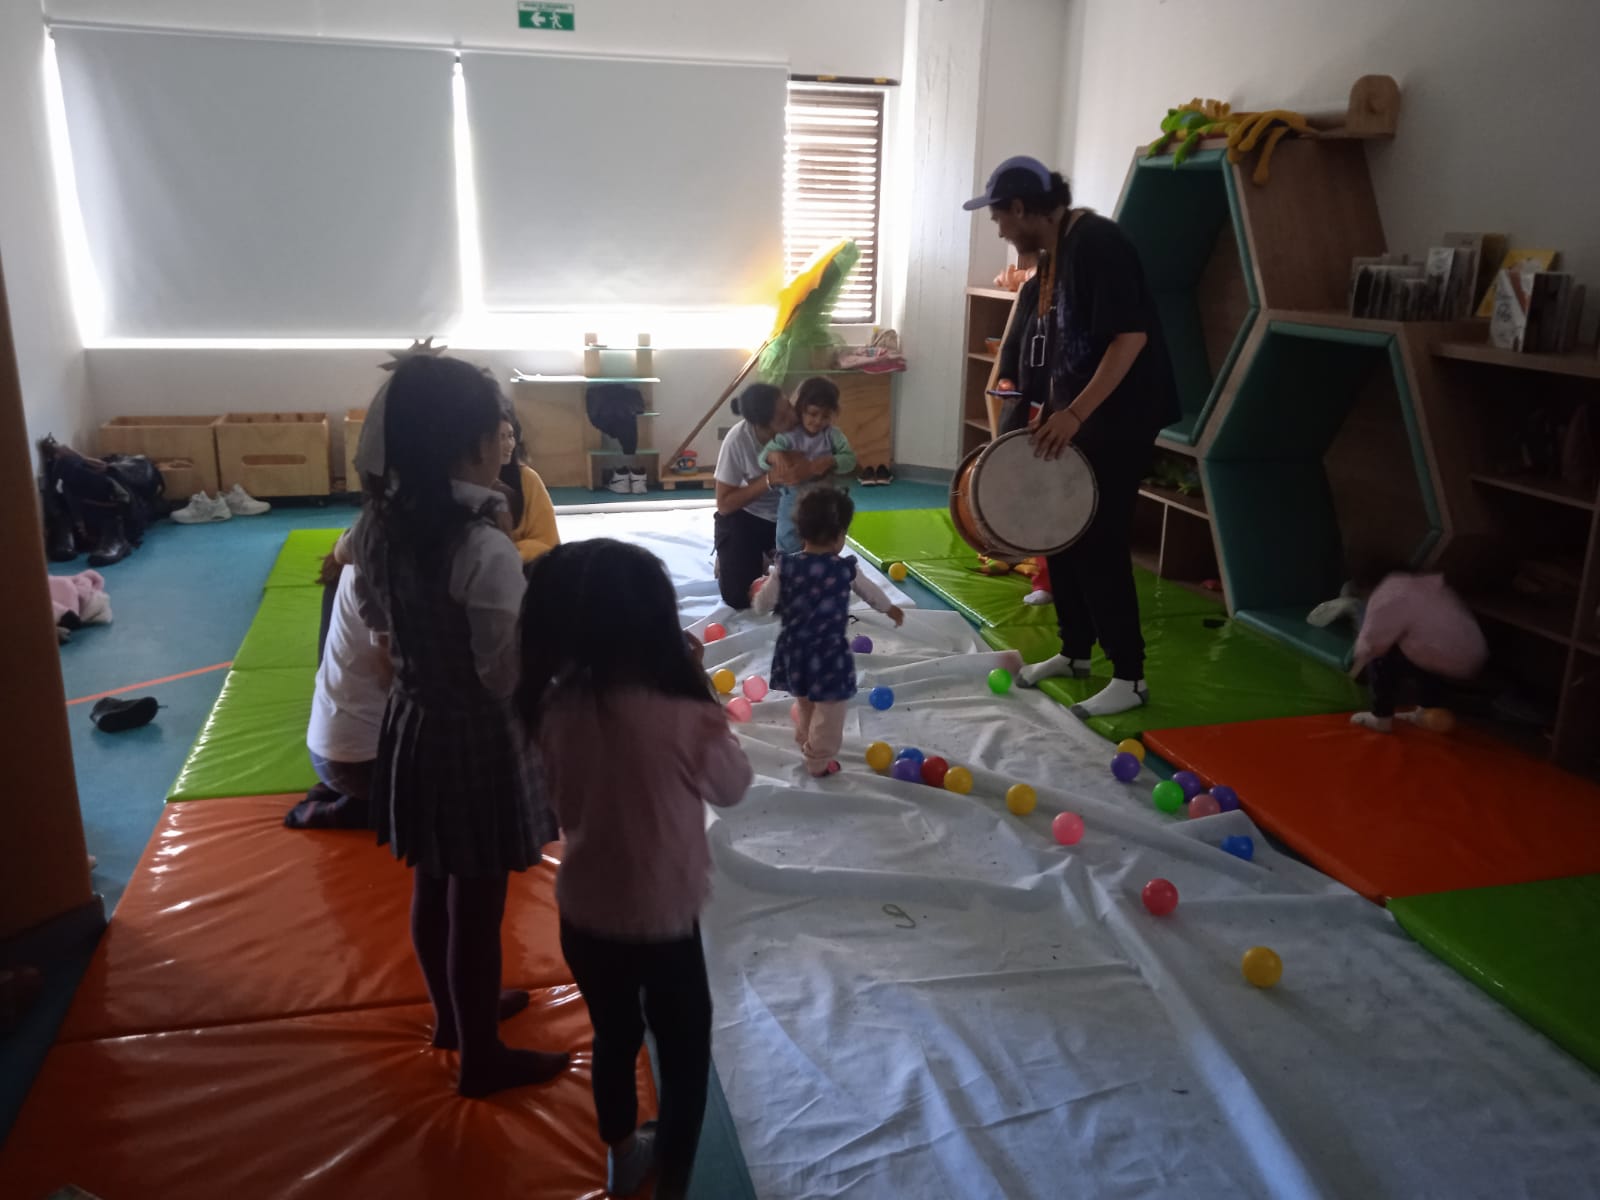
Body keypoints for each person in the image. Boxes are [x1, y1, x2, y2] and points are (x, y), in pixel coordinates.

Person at [350, 353, 566, 1098]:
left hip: (414, 721)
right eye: (499, 427)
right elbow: (502, 675)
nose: (506, 439)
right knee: (478, 907)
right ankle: (481, 1058)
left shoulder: (377, 526)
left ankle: (454, 1016)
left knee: (432, 883)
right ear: (472, 443)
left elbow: (379, 623)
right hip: (476, 737)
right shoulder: (483, 549)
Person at [519, 539, 752, 1200]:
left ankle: (622, 1157)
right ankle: (672, 1185)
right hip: (665, 923)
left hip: (584, 914)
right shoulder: (684, 716)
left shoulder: (552, 704)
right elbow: (732, 787)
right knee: (681, 1064)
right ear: (656, 627)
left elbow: (548, 796)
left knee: (614, 1039)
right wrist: (702, 699)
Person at [965, 155, 1180, 718]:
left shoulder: (1097, 244)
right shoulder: (1056, 256)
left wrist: (1076, 414)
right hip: (1081, 412)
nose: (1001, 231)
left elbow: (1128, 340)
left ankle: (1129, 676)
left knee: (1099, 538)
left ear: (1020, 208)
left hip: (1122, 414)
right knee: (1057, 531)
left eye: (999, 220)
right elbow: (1066, 349)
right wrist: (1050, 409)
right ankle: (1076, 651)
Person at [752, 488, 904, 775]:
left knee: (807, 700)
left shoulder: (786, 565)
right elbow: (871, 593)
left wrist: (757, 595)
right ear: (839, 535)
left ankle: (805, 738)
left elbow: (764, 603)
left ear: (800, 533)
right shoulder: (844, 568)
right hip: (828, 654)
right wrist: (890, 609)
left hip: (794, 650)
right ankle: (817, 760)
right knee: (831, 710)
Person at [284, 537, 387, 830]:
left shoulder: (362, 547)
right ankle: (358, 806)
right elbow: (401, 680)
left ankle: (359, 795)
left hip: (335, 750)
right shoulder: (388, 564)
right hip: (357, 761)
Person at [1349, 569, 1487, 732]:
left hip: (1442, 657)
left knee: (1380, 657)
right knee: (1427, 652)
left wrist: (1359, 653)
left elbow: (1372, 642)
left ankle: (1381, 717)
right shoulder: (1428, 585)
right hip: (1472, 657)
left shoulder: (1389, 593)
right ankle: (1426, 710)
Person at [713, 383, 801, 609]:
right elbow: (724, 504)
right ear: (761, 425)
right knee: (739, 597)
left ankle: (768, 554)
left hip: (792, 518)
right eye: (782, 416)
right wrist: (769, 480)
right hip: (749, 517)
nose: (792, 417)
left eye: (789, 406)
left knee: (805, 591)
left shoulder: (804, 430)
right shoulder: (738, 440)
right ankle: (734, 554)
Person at [757, 377, 858, 555]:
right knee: (788, 533)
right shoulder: (789, 436)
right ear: (801, 409)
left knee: (824, 533)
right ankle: (785, 563)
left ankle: (824, 563)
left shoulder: (833, 435)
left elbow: (850, 459)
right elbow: (762, 458)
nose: (818, 421)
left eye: (825, 416)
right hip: (793, 496)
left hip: (824, 497)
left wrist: (833, 461)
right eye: (813, 414)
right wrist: (775, 455)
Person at [494, 409, 561, 566]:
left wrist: (515, 554)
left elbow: (548, 541)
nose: (508, 444)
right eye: (500, 437)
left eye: (510, 436)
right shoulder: (467, 483)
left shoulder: (528, 479)